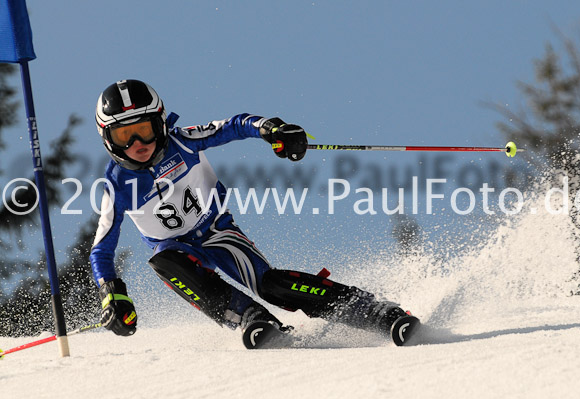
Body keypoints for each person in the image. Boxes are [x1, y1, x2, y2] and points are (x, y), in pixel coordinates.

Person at [90, 79, 419, 348]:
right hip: (180, 250)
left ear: (160, 124)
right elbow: (102, 250)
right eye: (124, 135)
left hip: (217, 231)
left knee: (271, 284)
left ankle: (373, 311)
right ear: (109, 140)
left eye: (144, 129)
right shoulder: (116, 186)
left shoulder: (184, 142)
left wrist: (272, 130)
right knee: (164, 261)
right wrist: (111, 292)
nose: (137, 142)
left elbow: (234, 126)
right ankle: (247, 316)